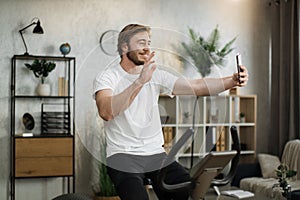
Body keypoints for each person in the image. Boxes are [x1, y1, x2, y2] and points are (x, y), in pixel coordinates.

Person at [93, 24, 249, 200]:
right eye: (141, 42)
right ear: (124, 46)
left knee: (186, 190)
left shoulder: (156, 74)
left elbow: (195, 87)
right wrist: (140, 81)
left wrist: (232, 80)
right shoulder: (108, 77)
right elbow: (106, 111)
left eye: (148, 43)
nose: (146, 48)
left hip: (154, 153)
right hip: (122, 156)